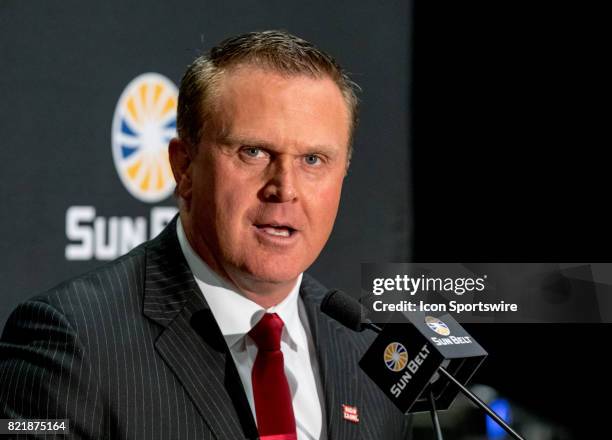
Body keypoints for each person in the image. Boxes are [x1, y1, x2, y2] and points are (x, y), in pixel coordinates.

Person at [0, 30, 411, 439]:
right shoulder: (72, 341)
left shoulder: (368, 352)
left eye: (313, 159)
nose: (285, 188)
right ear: (184, 167)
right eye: (254, 152)